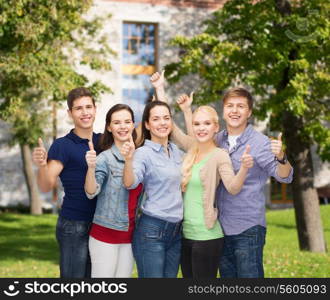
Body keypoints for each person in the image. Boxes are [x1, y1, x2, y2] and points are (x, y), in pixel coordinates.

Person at [176, 87, 293, 278]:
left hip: (247, 228)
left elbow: (284, 176)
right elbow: (196, 141)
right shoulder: (218, 139)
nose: (234, 110)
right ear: (223, 110)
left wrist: (281, 157)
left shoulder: (260, 143)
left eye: (241, 106)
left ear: (249, 112)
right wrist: (187, 111)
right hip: (220, 228)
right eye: (230, 106)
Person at [170, 103, 254, 278]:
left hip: (207, 236)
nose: (201, 128)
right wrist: (160, 90)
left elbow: (232, 187)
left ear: (216, 127)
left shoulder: (219, 155)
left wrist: (244, 168)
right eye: (197, 124)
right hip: (186, 234)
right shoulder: (191, 150)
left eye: (207, 124)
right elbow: (173, 130)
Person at [32, 87, 100, 278]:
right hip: (74, 225)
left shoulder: (104, 141)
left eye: (88, 107)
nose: (85, 112)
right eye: (78, 108)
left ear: (95, 109)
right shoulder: (63, 145)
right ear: (70, 113)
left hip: (102, 225)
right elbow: (46, 185)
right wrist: (42, 165)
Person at [120, 100, 183, 278]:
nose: (162, 123)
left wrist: (186, 110)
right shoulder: (143, 153)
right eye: (156, 119)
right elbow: (130, 183)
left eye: (166, 118)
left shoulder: (176, 151)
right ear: (147, 124)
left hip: (176, 232)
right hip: (152, 231)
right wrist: (128, 159)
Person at [84, 104, 142, 278]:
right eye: (117, 122)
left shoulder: (140, 157)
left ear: (133, 124)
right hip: (105, 235)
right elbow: (91, 192)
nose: (123, 126)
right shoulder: (105, 158)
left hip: (130, 235)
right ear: (109, 127)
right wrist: (91, 168)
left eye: (127, 121)